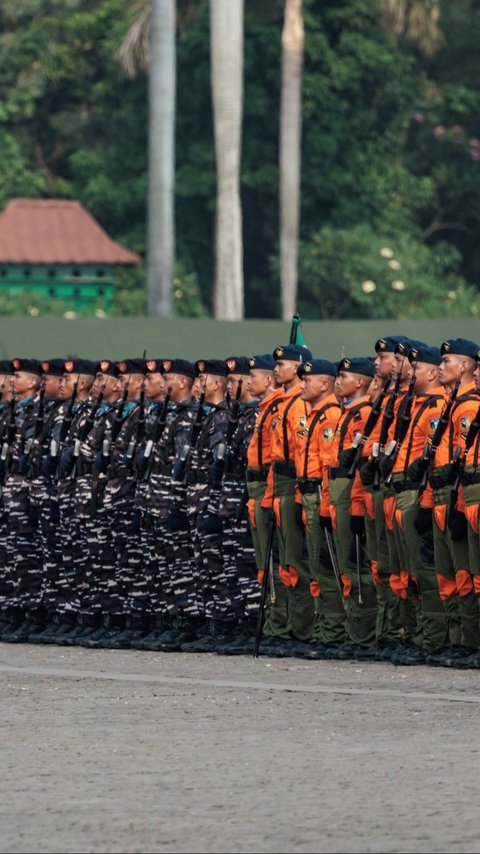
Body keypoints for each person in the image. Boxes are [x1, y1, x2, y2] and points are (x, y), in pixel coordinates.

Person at [259, 342, 314, 656]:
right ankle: (283, 624)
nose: (276, 369)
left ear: (298, 368)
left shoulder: (300, 406)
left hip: (292, 484)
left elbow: (303, 457)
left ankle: (301, 626)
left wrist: (292, 495)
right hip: (278, 484)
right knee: (282, 562)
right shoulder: (280, 403)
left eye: (282, 364)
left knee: (296, 561)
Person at [326, 356, 377, 659]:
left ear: (359, 382)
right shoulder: (349, 412)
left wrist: (356, 507)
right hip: (337, 492)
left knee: (358, 567)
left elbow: (359, 468)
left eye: (343, 376)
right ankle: (353, 632)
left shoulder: (364, 414)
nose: (338, 381)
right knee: (344, 566)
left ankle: (364, 634)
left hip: (351, 493)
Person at [294, 358, 344, 659]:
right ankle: (324, 626)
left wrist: (325, 505)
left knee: (326, 566)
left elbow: (329, 467)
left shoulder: (330, 417)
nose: (302, 385)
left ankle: (334, 630)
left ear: (324, 383)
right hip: (308, 494)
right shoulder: (315, 415)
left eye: (307, 380)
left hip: (321, 495)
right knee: (315, 564)